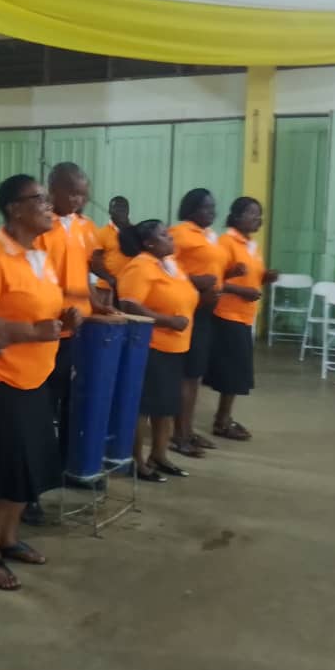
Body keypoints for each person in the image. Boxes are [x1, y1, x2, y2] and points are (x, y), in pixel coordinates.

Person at [0, 174, 80, 590]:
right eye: (39, 199)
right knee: (0, 472)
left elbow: (38, 307)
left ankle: (9, 540)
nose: (49, 206)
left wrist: (64, 318)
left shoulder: (38, 255)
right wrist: (31, 333)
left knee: (25, 469)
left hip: (33, 379)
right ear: (14, 209)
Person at [27, 162, 109, 523]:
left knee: (70, 406)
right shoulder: (41, 229)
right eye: (72, 193)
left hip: (78, 330)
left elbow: (83, 273)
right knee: (39, 413)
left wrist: (97, 302)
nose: (78, 199)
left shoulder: (85, 227)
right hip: (45, 331)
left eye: (83, 194)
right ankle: (29, 490)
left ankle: (67, 468)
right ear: (53, 189)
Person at [116, 220, 199, 482]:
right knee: (145, 405)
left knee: (166, 406)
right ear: (149, 243)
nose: (171, 238)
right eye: (164, 235)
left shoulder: (170, 263)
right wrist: (168, 321)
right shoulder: (140, 266)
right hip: (151, 345)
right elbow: (129, 305)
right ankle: (137, 460)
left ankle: (159, 455)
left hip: (176, 346)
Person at [204, 197, 279, 441]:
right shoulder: (226, 242)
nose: (258, 218)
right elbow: (216, 280)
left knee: (236, 370)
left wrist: (265, 277)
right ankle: (222, 421)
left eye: (259, 214)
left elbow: (251, 277)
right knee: (232, 371)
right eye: (252, 213)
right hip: (227, 313)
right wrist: (241, 291)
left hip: (245, 315)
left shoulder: (252, 245)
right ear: (236, 216)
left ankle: (224, 417)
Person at [169, 189, 227, 458]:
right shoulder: (180, 233)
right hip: (187, 308)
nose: (212, 213)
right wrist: (195, 281)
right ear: (191, 209)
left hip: (206, 311)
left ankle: (188, 430)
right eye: (206, 207)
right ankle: (179, 435)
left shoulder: (209, 235)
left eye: (213, 207)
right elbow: (165, 267)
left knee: (195, 375)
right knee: (187, 375)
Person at [94, 195, 132, 302]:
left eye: (123, 208)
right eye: (116, 208)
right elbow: (95, 262)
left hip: (130, 287)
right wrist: (109, 279)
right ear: (110, 211)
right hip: (106, 288)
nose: (120, 211)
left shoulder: (135, 232)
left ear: (128, 210)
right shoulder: (101, 233)